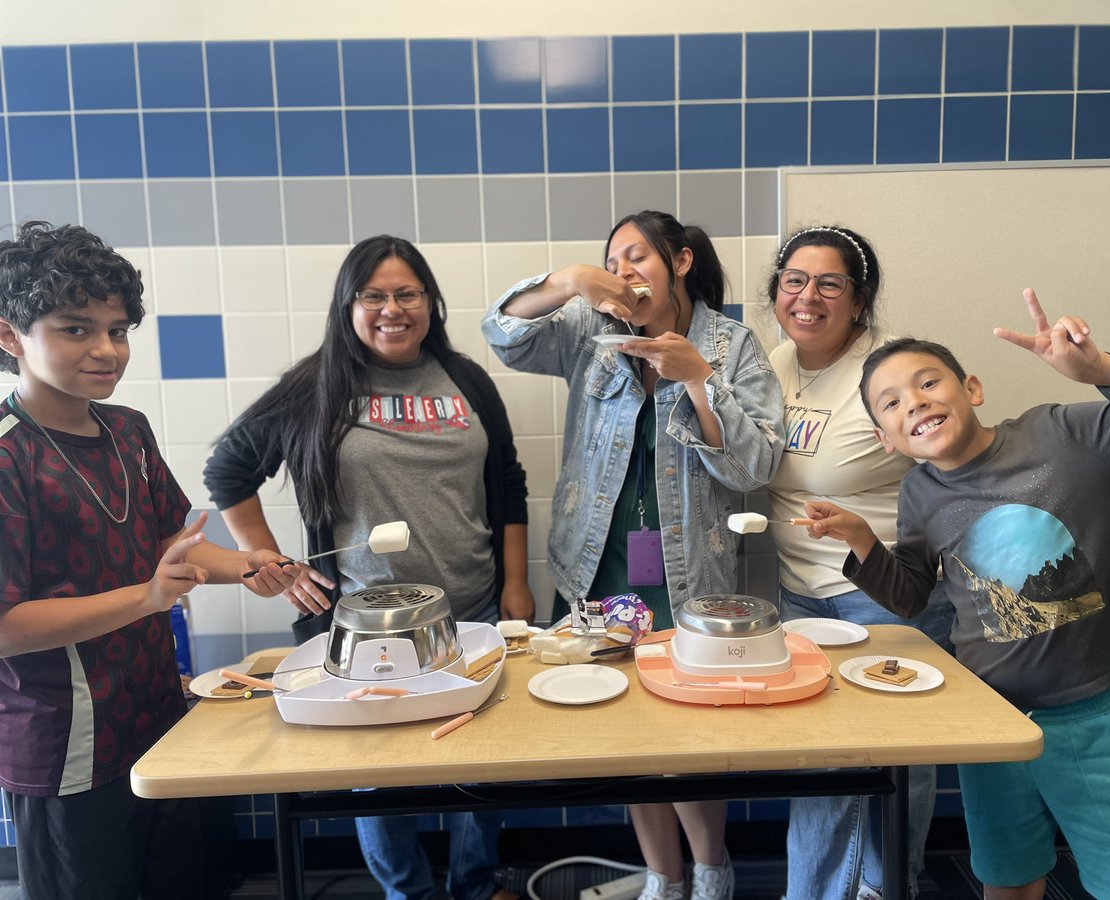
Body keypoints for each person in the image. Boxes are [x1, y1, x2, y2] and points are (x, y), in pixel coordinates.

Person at [804, 290, 1110, 900]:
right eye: (892, 403)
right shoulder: (920, 493)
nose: (916, 402)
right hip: (990, 717)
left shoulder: (1064, 435)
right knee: (1008, 880)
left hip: (1093, 718)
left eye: (928, 382)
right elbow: (911, 596)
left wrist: (1102, 372)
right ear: (887, 437)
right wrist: (861, 540)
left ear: (973, 389)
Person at [203, 235, 531, 900]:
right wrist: (269, 560)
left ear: (430, 303)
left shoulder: (466, 380)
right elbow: (227, 467)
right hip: (360, 629)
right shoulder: (316, 387)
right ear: (348, 306)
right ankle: (405, 891)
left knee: (482, 760)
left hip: (469, 611)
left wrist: (518, 584)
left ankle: (473, 883)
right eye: (373, 296)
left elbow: (510, 484)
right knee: (374, 771)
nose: (392, 309)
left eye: (407, 294)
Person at [482, 210, 784, 900]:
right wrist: (565, 283)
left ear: (679, 262)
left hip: (690, 579)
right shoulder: (591, 335)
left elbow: (757, 465)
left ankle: (711, 871)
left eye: (637, 257)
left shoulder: (731, 345)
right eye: (612, 261)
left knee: (688, 741)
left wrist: (700, 378)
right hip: (596, 566)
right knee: (627, 732)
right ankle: (662, 876)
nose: (623, 273)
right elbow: (503, 336)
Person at [0, 221, 295, 899]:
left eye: (119, 329)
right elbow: (6, 626)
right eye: (77, 329)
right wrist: (145, 598)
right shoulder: (9, 457)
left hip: (157, 716)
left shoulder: (126, 428)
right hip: (66, 747)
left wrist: (249, 566)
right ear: (10, 336)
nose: (107, 350)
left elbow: (170, 545)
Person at [764, 226, 955, 900]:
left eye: (828, 283)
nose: (807, 296)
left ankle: (887, 883)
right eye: (794, 280)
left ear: (859, 296)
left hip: (882, 594)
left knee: (897, 754)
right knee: (822, 759)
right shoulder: (775, 362)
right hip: (799, 594)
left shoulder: (887, 372)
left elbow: (951, 459)